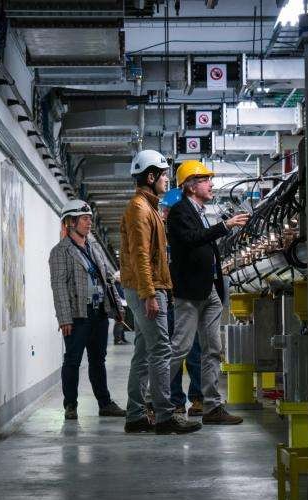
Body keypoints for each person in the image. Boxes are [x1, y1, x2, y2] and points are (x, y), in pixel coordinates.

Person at [120, 149, 202, 435]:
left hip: (148, 286)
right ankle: (166, 415)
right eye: (164, 174)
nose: (167, 179)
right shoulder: (140, 209)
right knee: (161, 350)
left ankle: (135, 416)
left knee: (144, 352)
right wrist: (150, 293)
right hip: (148, 288)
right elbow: (140, 255)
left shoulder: (149, 207)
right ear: (151, 176)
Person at [167, 160, 249, 425]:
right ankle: (154, 398)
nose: (211, 183)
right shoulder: (180, 211)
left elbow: (204, 242)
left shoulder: (200, 210)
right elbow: (192, 239)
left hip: (209, 289)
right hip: (190, 291)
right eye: (205, 179)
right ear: (191, 185)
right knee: (180, 347)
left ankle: (212, 406)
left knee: (213, 348)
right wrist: (225, 227)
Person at [49, 199, 127, 420]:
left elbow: (107, 280)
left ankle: (105, 403)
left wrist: (117, 308)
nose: (89, 222)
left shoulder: (94, 247)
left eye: (90, 218)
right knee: (72, 360)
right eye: (84, 219)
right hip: (77, 315)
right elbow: (59, 287)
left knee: (98, 361)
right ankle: (70, 405)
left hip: (99, 313)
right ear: (71, 222)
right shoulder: (61, 252)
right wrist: (64, 318)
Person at [161, 187, 204, 417]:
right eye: (165, 211)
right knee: (174, 350)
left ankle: (197, 398)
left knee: (194, 350)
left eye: (169, 210)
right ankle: (176, 400)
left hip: (187, 296)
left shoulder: (187, 232)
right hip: (169, 299)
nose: (166, 215)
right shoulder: (161, 236)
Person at [112, 271, 129, 345]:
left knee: (122, 323)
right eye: (119, 277)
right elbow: (121, 295)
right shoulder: (117, 285)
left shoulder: (120, 285)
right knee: (119, 323)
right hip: (120, 305)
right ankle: (117, 339)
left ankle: (122, 338)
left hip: (123, 305)